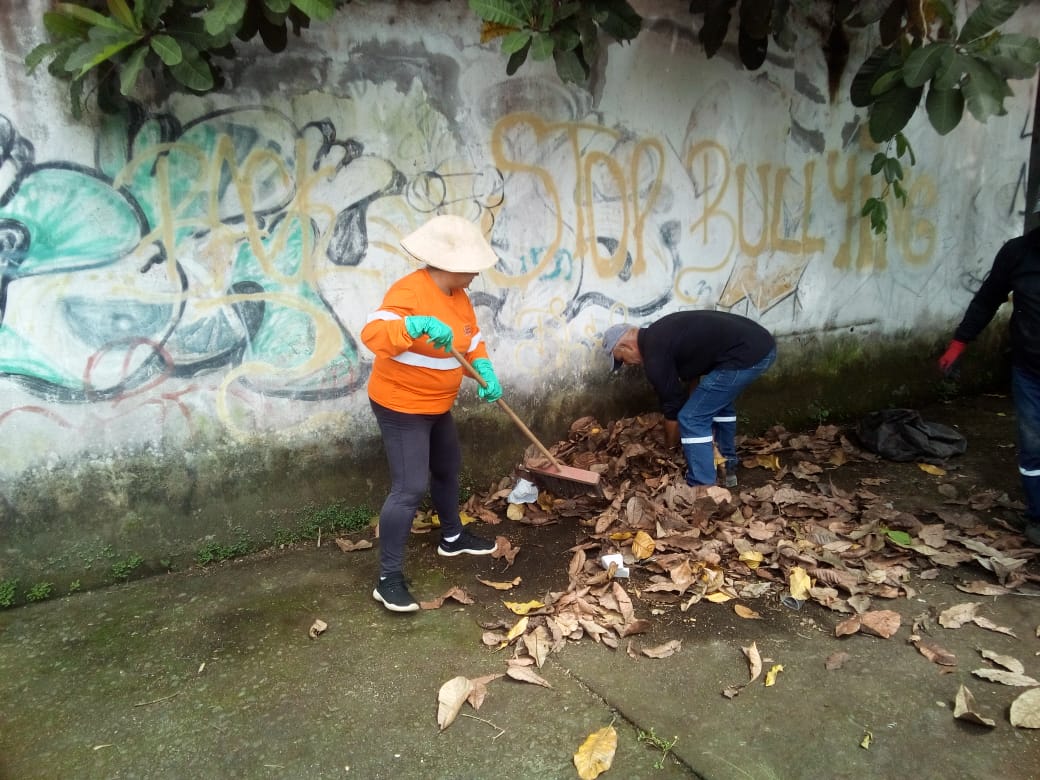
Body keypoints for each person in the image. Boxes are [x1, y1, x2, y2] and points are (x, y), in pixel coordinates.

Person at [361, 214, 502, 612]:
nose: (477, 273)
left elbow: (471, 340)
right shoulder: (410, 291)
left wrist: (483, 369)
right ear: (450, 263)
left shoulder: (459, 296)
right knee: (409, 488)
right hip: (402, 405)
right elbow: (374, 333)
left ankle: (452, 538)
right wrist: (414, 326)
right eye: (472, 265)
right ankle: (388, 578)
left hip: (437, 404)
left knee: (447, 467)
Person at [938, 225, 1040, 545]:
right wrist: (959, 343)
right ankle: (1037, 516)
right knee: (1033, 446)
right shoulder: (1018, 252)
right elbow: (987, 299)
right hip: (1030, 372)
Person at [603, 310, 777, 489]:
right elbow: (694, 375)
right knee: (716, 406)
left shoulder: (655, 357)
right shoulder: (661, 333)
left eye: (621, 359)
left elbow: (673, 409)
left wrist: (670, 450)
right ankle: (727, 465)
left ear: (626, 346)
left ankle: (702, 485)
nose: (627, 364)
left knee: (691, 418)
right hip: (761, 344)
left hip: (746, 356)